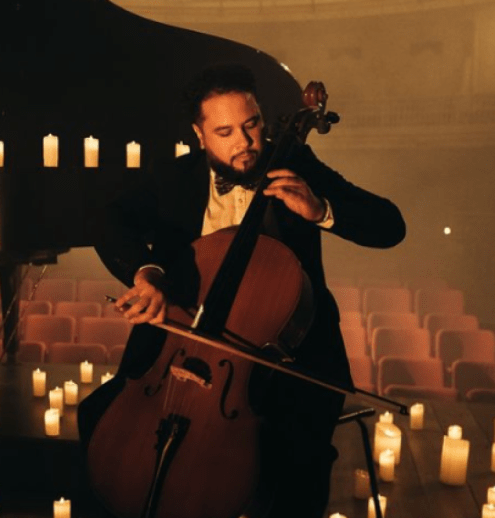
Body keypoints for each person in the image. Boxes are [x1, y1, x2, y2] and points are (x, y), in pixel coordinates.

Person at [85, 64, 406, 517]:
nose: (245, 142)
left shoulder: (295, 165)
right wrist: (147, 273)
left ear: (261, 116)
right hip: (181, 348)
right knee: (99, 418)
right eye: (225, 131)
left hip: (287, 358)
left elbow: (391, 225)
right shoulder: (175, 178)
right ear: (199, 134)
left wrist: (321, 210)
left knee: (294, 460)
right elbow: (108, 220)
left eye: (251, 124)